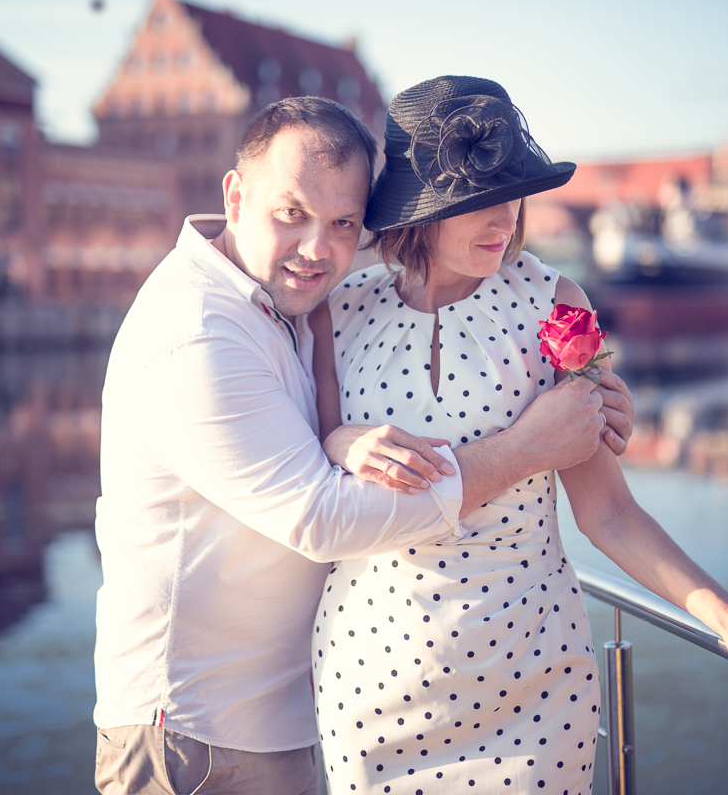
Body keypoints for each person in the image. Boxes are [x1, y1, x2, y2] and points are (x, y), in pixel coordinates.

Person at [92, 96, 636, 795]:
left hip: (295, 715)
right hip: (196, 735)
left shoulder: (287, 300)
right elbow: (322, 517)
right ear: (235, 196)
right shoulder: (197, 330)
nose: (317, 248)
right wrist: (526, 449)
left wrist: (592, 391)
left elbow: (408, 282)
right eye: (291, 213)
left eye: (343, 223)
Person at [310, 75, 728, 795]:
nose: (506, 217)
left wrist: (726, 616)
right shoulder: (338, 311)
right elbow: (315, 477)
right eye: (480, 200)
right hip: (371, 683)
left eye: (514, 192)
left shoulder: (555, 302)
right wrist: (338, 442)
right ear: (421, 209)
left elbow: (607, 510)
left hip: (531, 691)